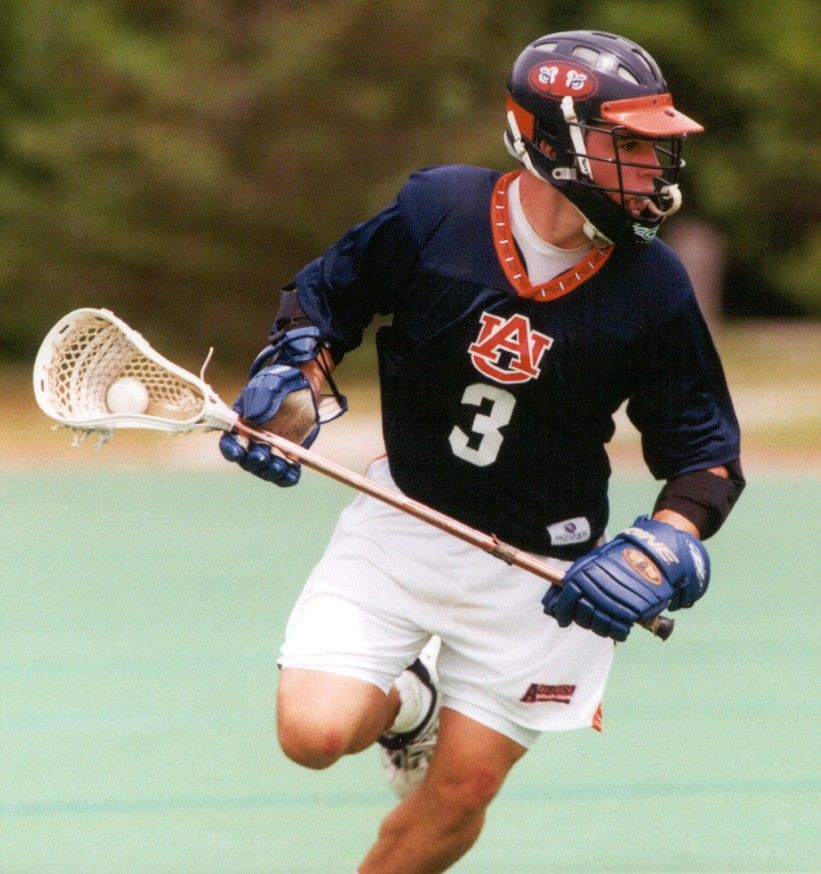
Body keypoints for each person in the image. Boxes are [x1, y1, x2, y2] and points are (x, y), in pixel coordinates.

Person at [220, 30, 744, 874]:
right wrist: (293, 385)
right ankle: (412, 703)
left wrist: (658, 548)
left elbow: (705, 457)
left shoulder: (652, 285)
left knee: (461, 791)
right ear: (551, 143)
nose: (654, 167)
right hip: (404, 523)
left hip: (547, 575)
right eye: (629, 145)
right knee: (312, 735)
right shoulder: (438, 212)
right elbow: (322, 304)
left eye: (657, 146)